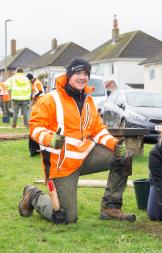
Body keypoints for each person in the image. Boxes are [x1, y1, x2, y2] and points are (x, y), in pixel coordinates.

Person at [18, 57, 136, 224]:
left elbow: (97, 129)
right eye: (78, 73)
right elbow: (35, 128)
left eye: (86, 73)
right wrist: (50, 139)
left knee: (123, 157)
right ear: (69, 75)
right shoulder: (50, 99)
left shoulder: (88, 100)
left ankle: (110, 208)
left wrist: (113, 144)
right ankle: (33, 195)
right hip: (62, 166)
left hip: (85, 157)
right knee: (65, 218)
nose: (83, 77)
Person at [26, 73, 45, 156]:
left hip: (41, 101)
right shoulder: (34, 83)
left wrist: (33, 95)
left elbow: (40, 92)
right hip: (38, 102)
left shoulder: (36, 83)